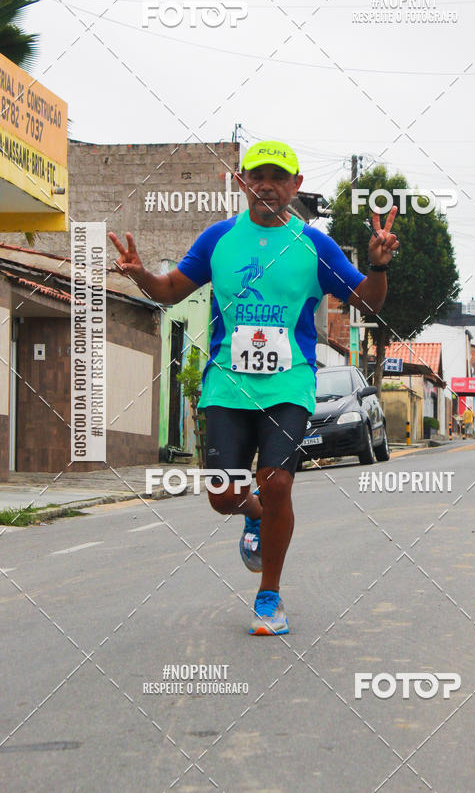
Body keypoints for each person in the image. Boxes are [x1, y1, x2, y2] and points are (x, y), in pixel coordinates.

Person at [109, 140, 398, 635]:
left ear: (295, 186)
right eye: (256, 175)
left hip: (288, 383)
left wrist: (378, 266)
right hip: (227, 384)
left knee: (278, 479)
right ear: (243, 182)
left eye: (277, 177)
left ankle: (269, 596)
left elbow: (366, 304)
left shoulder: (314, 244)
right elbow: (172, 290)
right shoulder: (218, 239)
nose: (266, 184)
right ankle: (254, 516)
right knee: (223, 495)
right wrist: (142, 277)